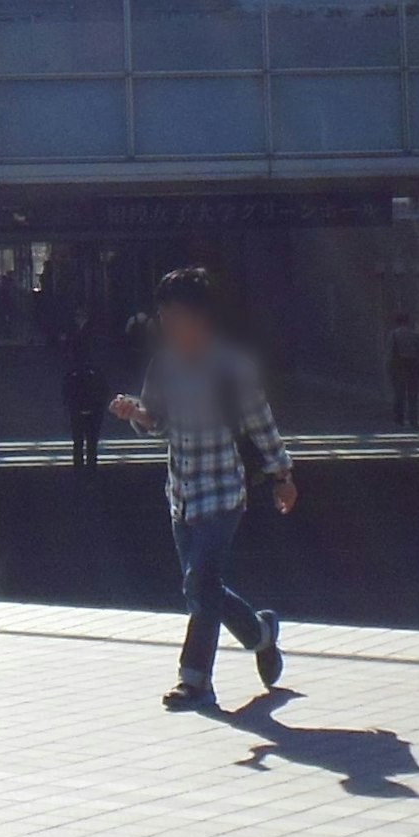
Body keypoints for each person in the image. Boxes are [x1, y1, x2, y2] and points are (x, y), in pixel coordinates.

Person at [106, 266, 294, 709]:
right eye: (163, 316)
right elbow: (160, 421)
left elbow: (261, 426)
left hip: (223, 494)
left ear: (200, 318)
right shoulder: (164, 364)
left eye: (174, 315)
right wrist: (136, 412)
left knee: (201, 580)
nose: (166, 325)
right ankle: (261, 633)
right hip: (182, 495)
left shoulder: (232, 367)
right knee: (200, 589)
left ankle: (195, 680)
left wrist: (283, 476)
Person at [59, 314, 110, 470]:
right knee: (92, 441)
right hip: (94, 403)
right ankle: (91, 470)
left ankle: (79, 470)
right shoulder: (97, 368)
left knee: (78, 440)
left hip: (77, 403)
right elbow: (103, 386)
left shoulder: (73, 370)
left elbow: (67, 388)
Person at [383, 307, 419, 430]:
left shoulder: (394, 335)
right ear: (408, 321)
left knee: (399, 393)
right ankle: (413, 420)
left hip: (398, 366)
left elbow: (390, 352)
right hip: (413, 365)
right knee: (413, 394)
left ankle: (399, 419)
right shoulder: (415, 335)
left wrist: (388, 367)